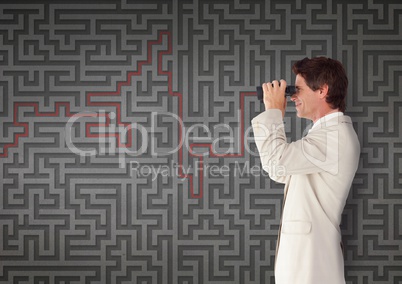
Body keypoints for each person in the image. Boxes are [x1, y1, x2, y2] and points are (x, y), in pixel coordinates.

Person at [251, 57, 360, 284]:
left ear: (322, 90)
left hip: (312, 264)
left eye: (297, 90)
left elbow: (275, 162)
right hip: (307, 261)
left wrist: (273, 112)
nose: (292, 97)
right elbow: (281, 172)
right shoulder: (324, 134)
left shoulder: (334, 137)